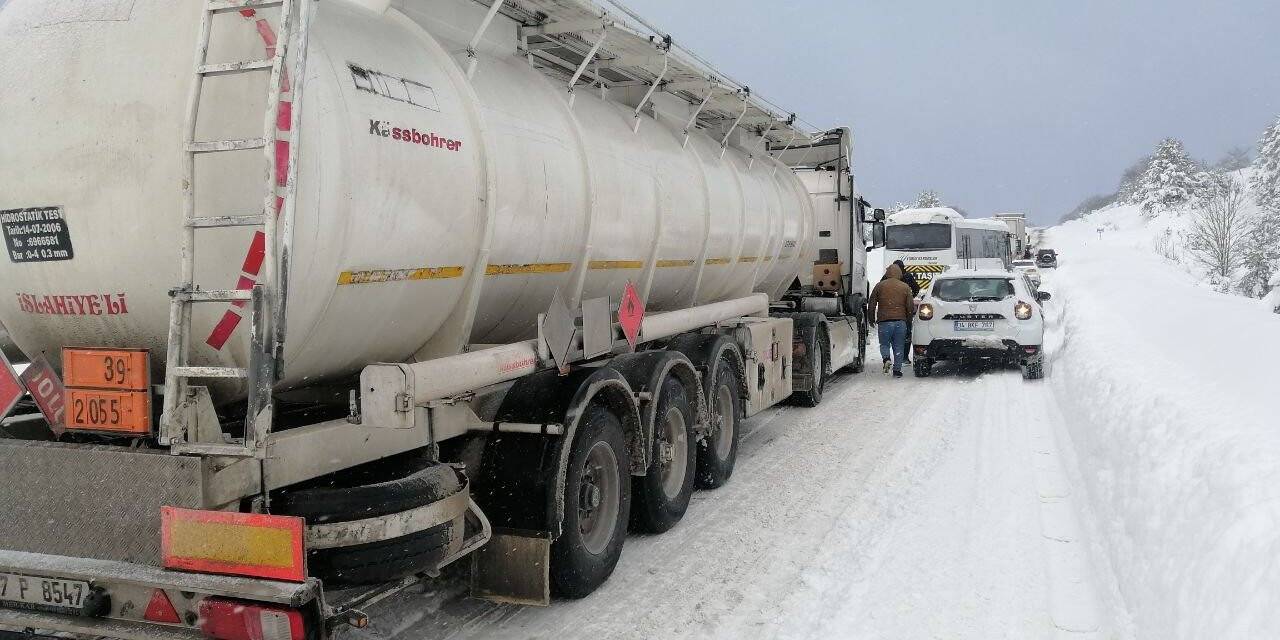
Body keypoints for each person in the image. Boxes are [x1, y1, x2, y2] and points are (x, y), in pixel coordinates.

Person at [868, 263, 916, 377]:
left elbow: (871, 304)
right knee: (898, 346)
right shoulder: (905, 287)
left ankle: (886, 359)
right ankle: (897, 371)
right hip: (900, 322)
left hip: (884, 321)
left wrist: (871, 318)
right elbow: (910, 306)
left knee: (884, 344)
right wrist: (908, 320)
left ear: (887, 273)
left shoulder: (880, 286)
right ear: (900, 273)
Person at [891, 260, 920, 364]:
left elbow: (880, 288)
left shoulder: (888, 277)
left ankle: (897, 356)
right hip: (906, 310)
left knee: (894, 333)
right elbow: (916, 288)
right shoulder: (907, 276)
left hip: (892, 308)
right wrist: (911, 298)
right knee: (906, 333)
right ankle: (904, 357)